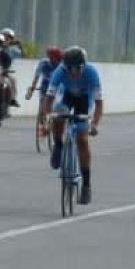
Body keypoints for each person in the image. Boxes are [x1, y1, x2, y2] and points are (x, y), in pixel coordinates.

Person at [40, 46, 103, 205]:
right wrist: (47, 120)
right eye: (70, 69)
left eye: (77, 68)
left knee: (82, 139)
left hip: (84, 99)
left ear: (84, 66)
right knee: (59, 112)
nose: (73, 72)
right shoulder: (59, 72)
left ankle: (86, 185)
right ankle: (59, 145)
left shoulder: (92, 73)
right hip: (66, 96)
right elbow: (48, 99)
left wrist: (94, 124)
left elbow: (98, 104)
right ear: (64, 66)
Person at [0, 28, 22, 106]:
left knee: (13, 81)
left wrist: (20, 45)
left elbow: (23, 55)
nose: (5, 39)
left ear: (11, 39)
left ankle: (12, 99)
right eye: (4, 37)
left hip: (5, 72)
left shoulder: (13, 50)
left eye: (7, 37)